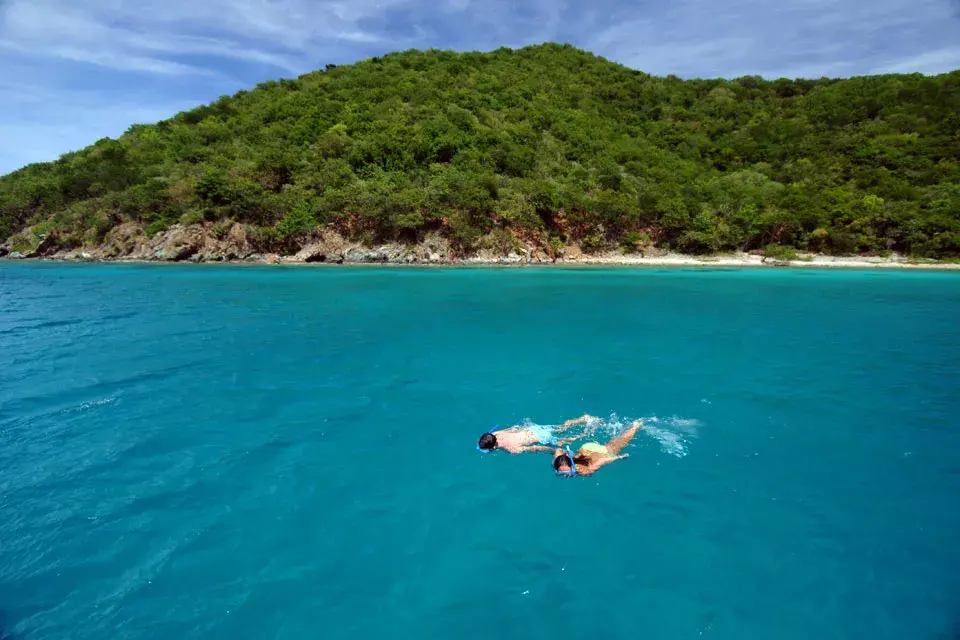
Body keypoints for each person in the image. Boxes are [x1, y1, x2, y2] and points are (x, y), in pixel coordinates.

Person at [552, 420, 643, 477]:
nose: (566, 475)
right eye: (562, 473)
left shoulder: (584, 472)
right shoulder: (558, 461)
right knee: (613, 442)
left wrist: (619, 457)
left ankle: (636, 426)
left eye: (568, 473)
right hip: (586, 448)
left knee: (621, 442)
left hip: (603, 453)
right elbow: (558, 450)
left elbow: (602, 460)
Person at [477, 414, 597, 454]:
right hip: (533, 428)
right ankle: (582, 419)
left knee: (564, 441)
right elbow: (514, 428)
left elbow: (536, 447)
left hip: (541, 437)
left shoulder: (511, 449)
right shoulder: (496, 433)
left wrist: (553, 451)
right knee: (561, 428)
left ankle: (585, 433)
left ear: (493, 447)